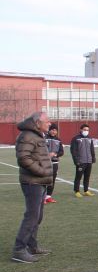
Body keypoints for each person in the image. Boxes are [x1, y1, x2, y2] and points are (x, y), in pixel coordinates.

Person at [12, 112, 54, 263]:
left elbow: (34, 155)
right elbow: (23, 158)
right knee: (32, 216)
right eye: (47, 121)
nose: (50, 123)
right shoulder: (28, 136)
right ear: (37, 123)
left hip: (39, 182)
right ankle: (19, 250)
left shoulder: (36, 135)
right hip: (33, 182)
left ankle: (31, 246)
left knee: (38, 216)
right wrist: (42, 171)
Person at [70, 124, 96, 198]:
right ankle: (77, 191)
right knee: (78, 177)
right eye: (85, 129)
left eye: (87, 130)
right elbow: (73, 150)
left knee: (87, 177)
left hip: (89, 161)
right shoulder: (76, 138)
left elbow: (92, 149)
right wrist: (76, 161)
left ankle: (86, 190)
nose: (86, 131)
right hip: (81, 161)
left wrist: (93, 158)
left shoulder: (90, 138)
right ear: (81, 130)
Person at [44, 123, 64, 204]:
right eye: (52, 130)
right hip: (44, 162)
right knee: (44, 180)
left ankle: (48, 196)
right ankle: (42, 197)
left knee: (52, 180)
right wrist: (47, 154)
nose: (54, 131)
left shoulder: (58, 140)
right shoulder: (44, 138)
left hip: (55, 162)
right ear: (49, 130)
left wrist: (55, 154)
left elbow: (61, 152)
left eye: (55, 130)